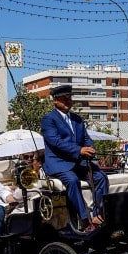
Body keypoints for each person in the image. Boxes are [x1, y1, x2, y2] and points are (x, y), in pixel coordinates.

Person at [42, 84, 109, 231]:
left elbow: (86, 138)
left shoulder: (77, 119)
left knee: (101, 177)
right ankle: (84, 219)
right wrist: (80, 150)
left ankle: (99, 214)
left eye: (69, 98)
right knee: (72, 181)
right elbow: (56, 142)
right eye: (64, 99)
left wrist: (90, 147)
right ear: (55, 101)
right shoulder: (49, 120)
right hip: (59, 163)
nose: (68, 101)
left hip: (78, 163)